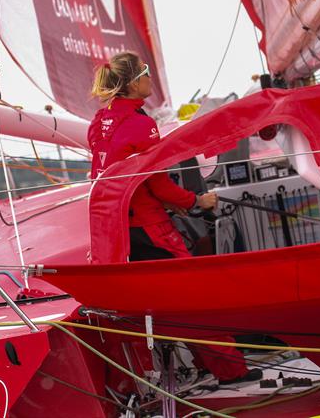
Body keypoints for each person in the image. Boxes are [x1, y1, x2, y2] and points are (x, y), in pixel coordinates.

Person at [88, 51, 261, 384]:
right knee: (192, 298)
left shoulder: (99, 123)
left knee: (150, 304)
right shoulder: (142, 124)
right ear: (133, 82)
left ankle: (181, 369)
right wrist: (197, 200)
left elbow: (119, 177)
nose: (150, 80)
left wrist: (173, 202)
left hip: (117, 235)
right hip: (150, 229)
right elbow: (158, 184)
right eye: (146, 73)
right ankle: (230, 371)